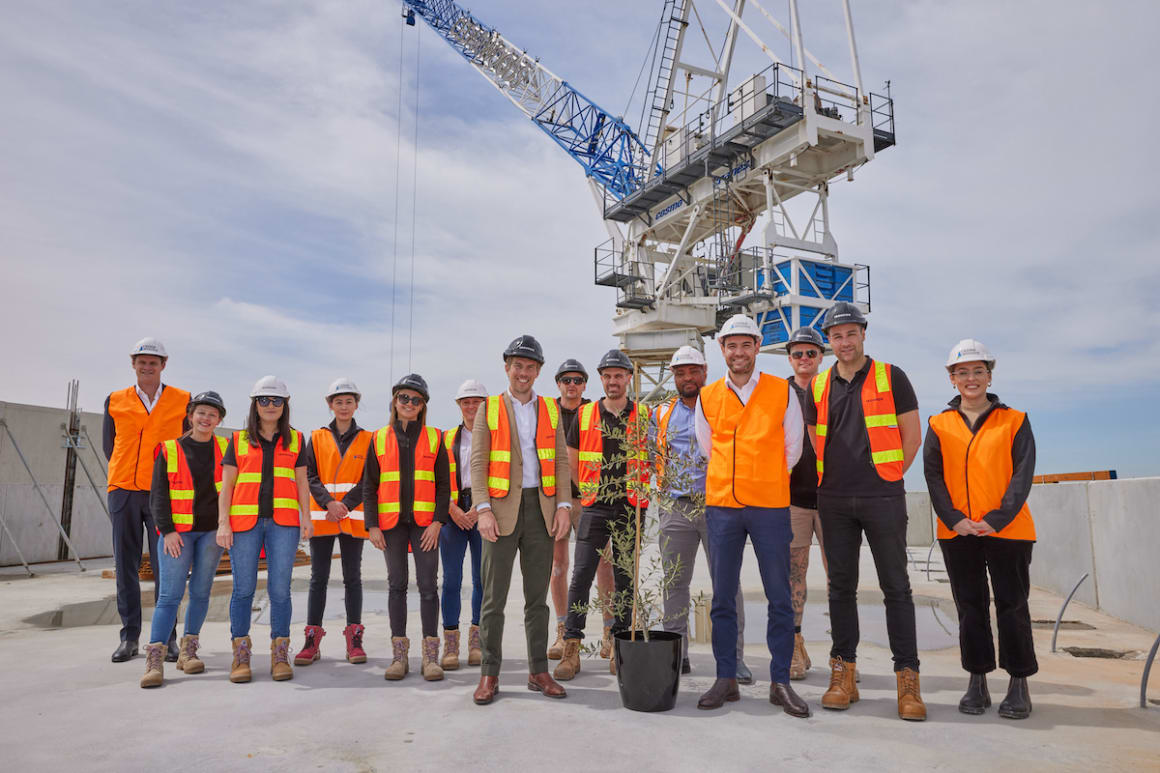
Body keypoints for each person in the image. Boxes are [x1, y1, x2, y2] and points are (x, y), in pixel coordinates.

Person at [804, 302, 926, 721]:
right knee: (840, 589)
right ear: (829, 341)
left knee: (897, 587)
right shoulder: (817, 387)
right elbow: (812, 438)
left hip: (882, 498)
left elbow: (912, 434)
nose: (844, 341)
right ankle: (843, 675)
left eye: (850, 333)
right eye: (836, 336)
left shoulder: (892, 377)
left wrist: (888, 476)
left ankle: (907, 681)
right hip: (834, 499)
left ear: (862, 334)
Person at [693, 315, 810, 718]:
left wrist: (764, 478)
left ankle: (781, 682)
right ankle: (726, 678)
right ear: (721, 349)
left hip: (770, 506)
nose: (738, 352)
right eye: (731, 345)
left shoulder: (782, 391)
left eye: (745, 344)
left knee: (779, 598)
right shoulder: (708, 397)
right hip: (723, 506)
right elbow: (709, 448)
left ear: (757, 348)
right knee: (722, 598)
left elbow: (792, 448)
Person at [924, 339, 1037, 720]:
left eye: (978, 371)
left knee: (1012, 606)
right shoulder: (938, 425)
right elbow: (933, 477)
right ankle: (977, 681)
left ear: (989, 375)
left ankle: (1019, 684)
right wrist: (954, 518)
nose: (970, 378)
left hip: (1009, 531)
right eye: (962, 372)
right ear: (951, 379)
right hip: (958, 533)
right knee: (970, 608)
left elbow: (1022, 476)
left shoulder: (1015, 420)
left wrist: (996, 519)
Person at [469, 335, 572, 705]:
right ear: (507, 367)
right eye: (517, 365)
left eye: (530, 367)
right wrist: (482, 510)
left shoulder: (550, 409)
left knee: (537, 600)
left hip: (541, 511)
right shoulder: (490, 408)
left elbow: (561, 461)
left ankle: (538, 670)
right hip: (499, 512)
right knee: (493, 599)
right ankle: (489, 675)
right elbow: (478, 463)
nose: (523, 372)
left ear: (539, 371)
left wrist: (563, 506)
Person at [656, 346, 750, 681]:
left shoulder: (723, 404)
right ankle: (676, 653)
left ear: (705, 372)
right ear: (673, 376)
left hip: (719, 507)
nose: (687, 378)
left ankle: (733, 658)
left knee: (726, 584)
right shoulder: (662, 413)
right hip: (676, 507)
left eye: (693, 371)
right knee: (674, 583)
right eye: (680, 373)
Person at [554, 349, 649, 682]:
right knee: (581, 575)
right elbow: (571, 457)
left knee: (625, 578)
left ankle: (620, 646)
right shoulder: (585, 415)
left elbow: (653, 458)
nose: (613, 381)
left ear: (628, 378)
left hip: (630, 505)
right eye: (607, 376)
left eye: (618, 375)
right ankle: (571, 648)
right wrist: (592, 491)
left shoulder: (644, 416)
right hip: (595, 504)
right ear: (601, 379)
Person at [217, 376, 311, 684]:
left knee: (280, 591)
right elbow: (227, 486)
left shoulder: (297, 440)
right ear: (254, 405)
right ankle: (241, 654)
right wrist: (223, 523)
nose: (270, 406)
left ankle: (280, 652)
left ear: (285, 406)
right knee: (243, 590)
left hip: (284, 524)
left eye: (276, 401)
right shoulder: (239, 439)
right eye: (264, 400)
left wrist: (307, 518)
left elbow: (301, 483)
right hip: (244, 524)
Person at [103, 337, 189, 663]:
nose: (147, 366)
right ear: (133, 363)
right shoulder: (115, 400)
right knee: (126, 567)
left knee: (167, 567)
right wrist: (125, 475)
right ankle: (129, 638)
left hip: (163, 494)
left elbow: (186, 446)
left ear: (163, 365)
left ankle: (168, 638)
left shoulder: (182, 401)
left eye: (154, 362)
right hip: (123, 491)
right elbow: (109, 446)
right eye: (142, 361)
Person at [363, 373, 451, 681]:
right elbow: (369, 486)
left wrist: (438, 522)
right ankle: (399, 656)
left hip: (425, 526)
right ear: (395, 401)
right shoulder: (378, 438)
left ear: (423, 405)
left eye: (416, 400)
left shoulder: (436, 437)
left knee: (428, 587)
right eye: (404, 398)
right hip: (391, 526)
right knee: (396, 585)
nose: (409, 404)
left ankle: (430, 657)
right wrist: (372, 526)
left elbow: (443, 485)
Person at [139, 391, 228, 688]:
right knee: (170, 596)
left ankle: (188, 653)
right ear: (190, 416)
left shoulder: (226, 449)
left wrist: (224, 526)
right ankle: (155, 658)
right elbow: (158, 496)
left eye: (212, 415)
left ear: (219, 420)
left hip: (211, 533)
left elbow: (232, 491)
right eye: (201, 412)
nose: (206, 418)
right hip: (178, 534)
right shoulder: (168, 449)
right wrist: (167, 531)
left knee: (201, 593)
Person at [295, 378, 372, 667]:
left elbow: (368, 479)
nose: (343, 406)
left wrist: (345, 505)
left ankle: (355, 640)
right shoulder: (315, 438)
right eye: (338, 401)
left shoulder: (368, 438)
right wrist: (329, 502)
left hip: (351, 518)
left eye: (349, 401)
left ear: (356, 405)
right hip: (323, 518)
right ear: (330, 404)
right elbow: (308, 476)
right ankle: (311, 641)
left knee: (353, 579)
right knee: (318, 579)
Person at [547, 359, 616, 663]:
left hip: (591, 501)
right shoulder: (546, 413)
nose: (571, 385)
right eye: (566, 380)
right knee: (558, 565)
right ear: (558, 383)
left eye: (577, 380)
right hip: (557, 499)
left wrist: (592, 494)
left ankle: (609, 631)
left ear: (585, 384)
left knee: (604, 565)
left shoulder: (594, 412)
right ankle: (563, 630)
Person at [784, 327, 830, 680]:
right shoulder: (777, 394)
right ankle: (795, 645)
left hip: (833, 497)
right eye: (798, 354)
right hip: (794, 498)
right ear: (789, 358)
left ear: (821, 357)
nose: (804, 359)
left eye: (810, 353)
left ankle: (844, 654)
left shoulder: (834, 387)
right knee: (794, 576)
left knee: (840, 578)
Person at [439, 378, 488, 671]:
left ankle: (477, 639)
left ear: (485, 405)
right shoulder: (445, 439)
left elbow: (500, 478)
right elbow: (436, 479)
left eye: (476, 402)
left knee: (482, 579)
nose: (471, 407)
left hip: (483, 512)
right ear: (459, 406)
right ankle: (451, 642)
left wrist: (481, 510)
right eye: (466, 402)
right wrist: (452, 509)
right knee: (452, 580)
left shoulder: (495, 438)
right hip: (453, 514)